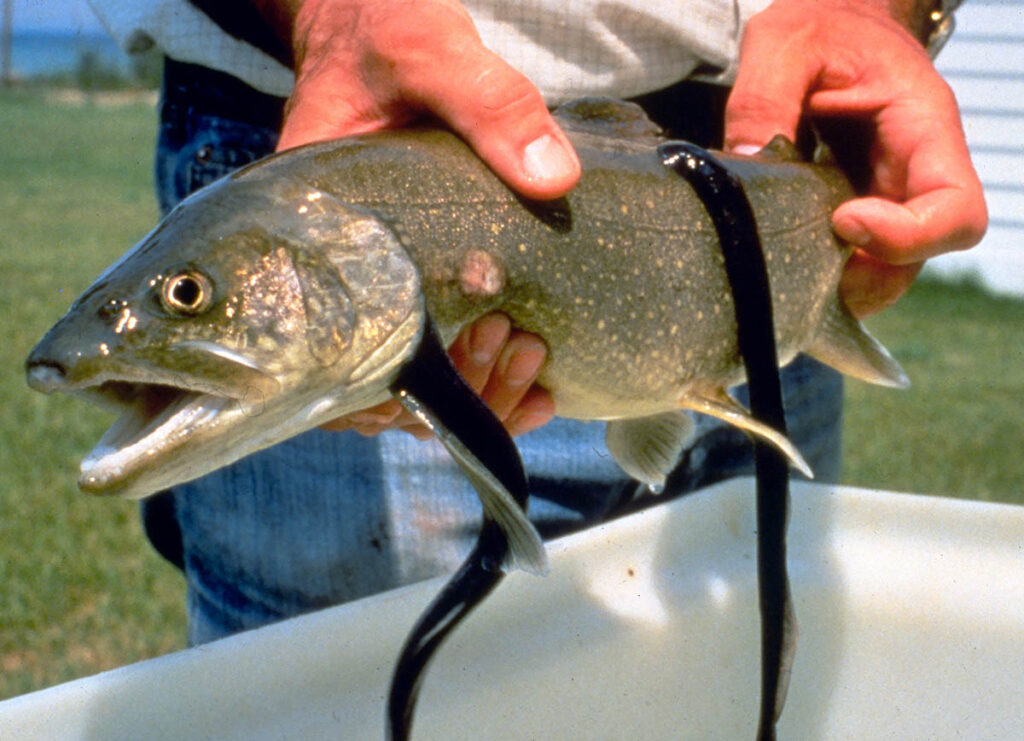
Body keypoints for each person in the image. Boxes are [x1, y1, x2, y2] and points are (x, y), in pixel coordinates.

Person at [90, 0, 985, 644]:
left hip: (767, 168)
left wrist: (882, 10)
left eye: (187, 301)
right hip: (348, 119)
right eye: (190, 300)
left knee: (739, 673)